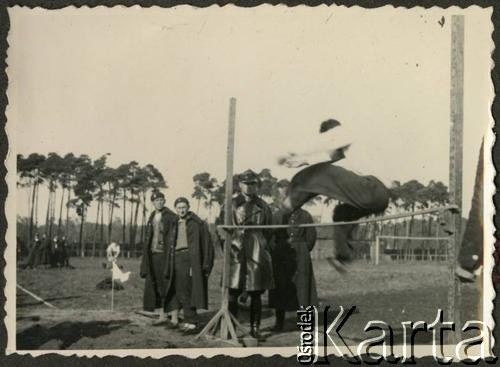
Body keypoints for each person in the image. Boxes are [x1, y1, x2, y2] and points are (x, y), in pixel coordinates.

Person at [218, 169, 274, 340]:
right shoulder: (230, 205)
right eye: (245, 183)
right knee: (233, 291)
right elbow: (220, 228)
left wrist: (261, 244)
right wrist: (229, 247)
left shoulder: (264, 206)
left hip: (256, 250)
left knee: (256, 292)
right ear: (239, 185)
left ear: (256, 186)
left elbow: (269, 231)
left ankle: (255, 328)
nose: (249, 187)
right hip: (236, 249)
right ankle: (232, 327)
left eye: (252, 184)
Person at [269, 179, 318, 332]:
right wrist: (277, 252)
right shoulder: (277, 216)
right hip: (282, 255)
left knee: (303, 288)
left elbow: (311, 237)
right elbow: (271, 238)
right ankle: (279, 322)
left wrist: (301, 250)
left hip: (301, 254)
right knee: (280, 287)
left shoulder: (305, 216)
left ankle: (305, 322)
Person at [164, 197, 214, 334]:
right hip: (176, 258)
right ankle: (185, 320)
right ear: (175, 209)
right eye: (179, 207)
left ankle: (192, 322)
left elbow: (204, 244)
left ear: (188, 207)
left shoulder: (195, 223)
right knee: (178, 290)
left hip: (189, 259)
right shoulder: (174, 223)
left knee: (186, 290)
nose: (181, 210)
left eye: (184, 207)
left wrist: (197, 264)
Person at [140, 191, 177, 324]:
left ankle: (173, 315)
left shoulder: (171, 216)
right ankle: (162, 314)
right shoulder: (152, 216)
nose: (159, 202)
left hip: (165, 255)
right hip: (153, 255)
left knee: (167, 283)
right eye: (157, 201)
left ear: (164, 201)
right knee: (157, 285)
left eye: (161, 200)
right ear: (153, 202)